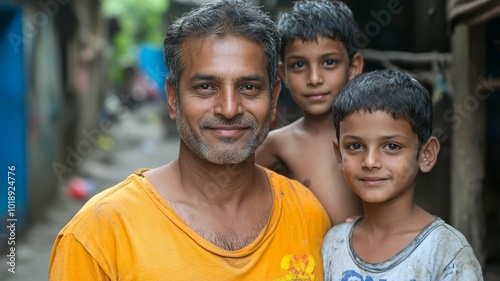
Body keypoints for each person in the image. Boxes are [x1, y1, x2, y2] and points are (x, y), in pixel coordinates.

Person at [48, 0, 331, 280]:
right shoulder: (100, 233)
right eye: (206, 87)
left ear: (273, 98)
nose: (229, 108)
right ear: (173, 99)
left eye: (249, 87)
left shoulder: (307, 215)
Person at [322, 69, 483, 280]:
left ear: (426, 154)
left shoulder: (446, 252)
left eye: (391, 146)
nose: (370, 161)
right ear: (339, 156)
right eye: (355, 146)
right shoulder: (333, 244)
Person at [255, 0, 363, 225]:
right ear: (283, 73)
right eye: (299, 65)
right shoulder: (276, 145)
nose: (314, 79)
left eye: (329, 62)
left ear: (353, 68)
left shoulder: (373, 135)